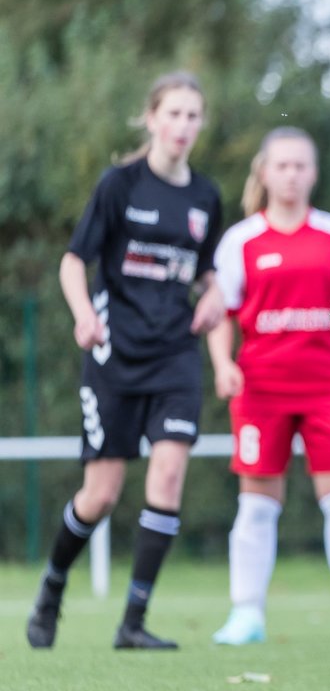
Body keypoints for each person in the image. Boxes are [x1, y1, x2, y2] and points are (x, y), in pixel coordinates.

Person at [25, 71, 225, 650]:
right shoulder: (120, 185)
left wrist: (213, 295)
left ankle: (133, 623)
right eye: (174, 113)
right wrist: (83, 314)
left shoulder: (206, 196)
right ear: (152, 118)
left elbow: (209, 271)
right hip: (114, 356)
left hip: (175, 356)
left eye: (193, 115)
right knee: (102, 494)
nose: (184, 125)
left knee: (167, 473)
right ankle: (52, 589)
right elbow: (72, 262)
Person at [207, 127, 330, 645]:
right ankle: (245, 613)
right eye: (282, 165)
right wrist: (222, 363)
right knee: (256, 505)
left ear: (313, 173)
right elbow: (221, 313)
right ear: (265, 172)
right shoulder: (240, 240)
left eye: (300, 166)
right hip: (261, 389)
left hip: (329, 385)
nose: (291, 174)